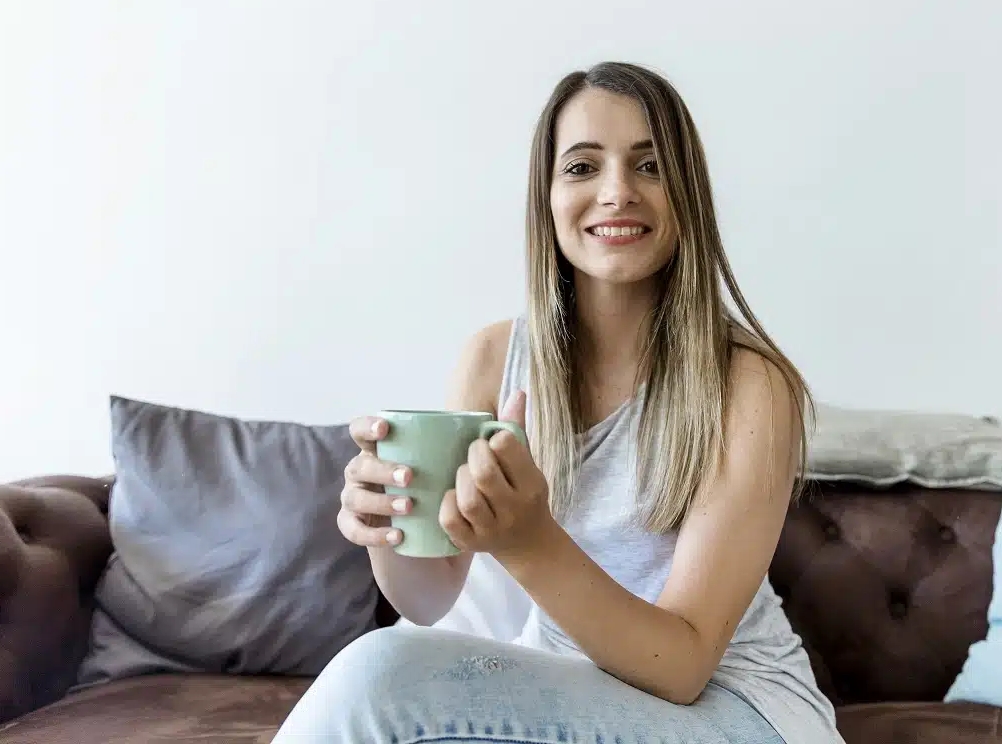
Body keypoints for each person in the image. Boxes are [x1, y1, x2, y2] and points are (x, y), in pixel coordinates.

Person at [272, 62, 842, 743]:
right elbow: (427, 600)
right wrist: (388, 524)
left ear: (686, 192)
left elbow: (684, 666)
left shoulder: (749, 385)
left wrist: (529, 541)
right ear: (545, 194)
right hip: (574, 699)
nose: (616, 192)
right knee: (395, 671)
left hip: (736, 711)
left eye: (650, 165)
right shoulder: (492, 359)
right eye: (581, 168)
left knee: (382, 674)